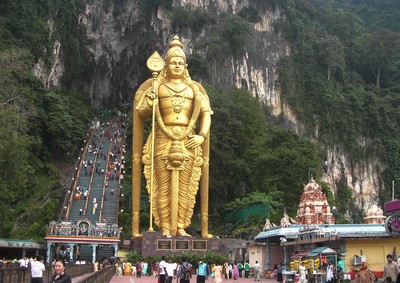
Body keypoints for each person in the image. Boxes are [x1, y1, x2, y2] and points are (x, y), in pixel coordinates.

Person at [132, 35, 212, 238]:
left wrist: (201, 136)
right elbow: (140, 114)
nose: (176, 66)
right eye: (172, 63)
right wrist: (150, 104)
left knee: (185, 187)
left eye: (180, 63)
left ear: (185, 66)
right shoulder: (157, 87)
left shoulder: (194, 90)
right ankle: (165, 227)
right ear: (165, 66)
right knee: (163, 186)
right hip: (162, 137)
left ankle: (181, 226)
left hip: (188, 138)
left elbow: (206, 114)